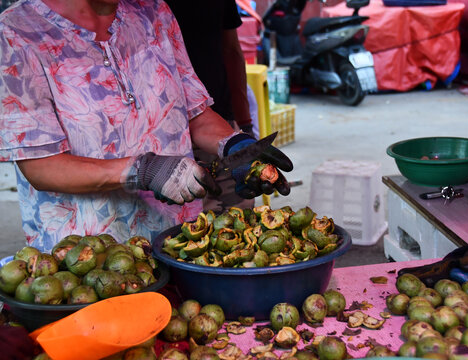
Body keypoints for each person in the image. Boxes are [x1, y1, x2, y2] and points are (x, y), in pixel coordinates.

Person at [0, 0, 292, 254]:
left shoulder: (154, 13)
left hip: (179, 243)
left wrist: (233, 145)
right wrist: (141, 170)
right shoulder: (16, 33)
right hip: (85, 263)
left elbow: (194, 113)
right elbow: (41, 167)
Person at [166, 0, 259, 214]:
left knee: (239, 217)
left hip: (217, 124)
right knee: (193, 223)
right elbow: (232, 52)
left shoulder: (157, 13)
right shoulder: (146, 9)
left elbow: (232, 53)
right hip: (166, 139)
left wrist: (242, 128)